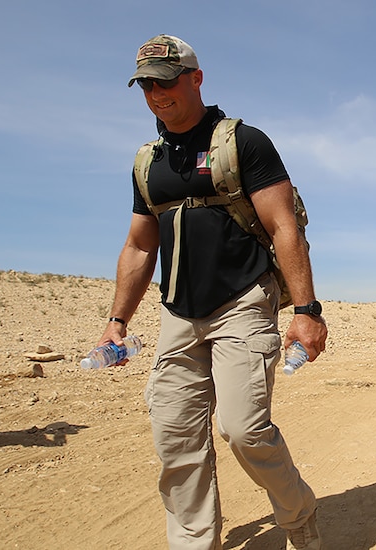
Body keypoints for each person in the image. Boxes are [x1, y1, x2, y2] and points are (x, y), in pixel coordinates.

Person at [94, 35, 327, 550]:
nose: (156, 93)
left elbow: (285, 225)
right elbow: (138, 247)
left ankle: (298, 515)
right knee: (175, 440)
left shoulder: (244, 143)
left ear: (196, 78)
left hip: (242, 304)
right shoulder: (147, 162)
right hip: (178, 315)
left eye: (165, 80)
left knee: (244, 431)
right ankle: (195, 542)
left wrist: (307, 310)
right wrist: (118, 320)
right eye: (146, 84)